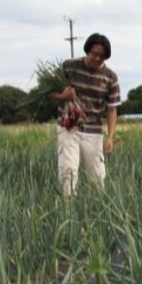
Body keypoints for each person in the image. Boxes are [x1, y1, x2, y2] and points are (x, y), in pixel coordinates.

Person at [50, 33, 120, 196]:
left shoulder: (110, 77)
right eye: (94, 54)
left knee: (97, 176)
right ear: (88, 50)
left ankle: (98, 211)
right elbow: (50, 92)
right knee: (68, 170)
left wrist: (110, 137)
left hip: (94, 131)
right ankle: (67, 208)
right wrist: (63, 97)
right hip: (69, 127)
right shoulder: (69, 66)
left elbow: (112, 109)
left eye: (102, 56)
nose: (97, 59)